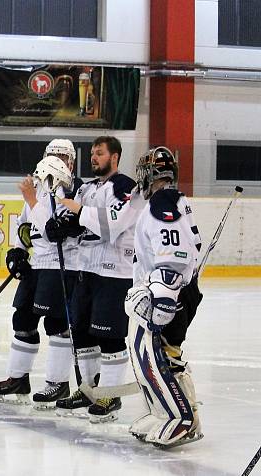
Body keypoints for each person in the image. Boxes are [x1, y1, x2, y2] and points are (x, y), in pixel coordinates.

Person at [48, 136, 138, 423]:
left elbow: (111, 224)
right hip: (86, 270)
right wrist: (60, 225)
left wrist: (75, 212)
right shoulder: (86, 188)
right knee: (83, 333)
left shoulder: (124, 187)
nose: (94, 158)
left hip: (114, 271)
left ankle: (109, 394)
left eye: (100, 153)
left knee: (110, 335)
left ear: (115, 157)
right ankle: (88, 390)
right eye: (93, 154)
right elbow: (74, 221)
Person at [0, 139, 83, 407]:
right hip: (37, 263)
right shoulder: (40, 187)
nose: (56, 161)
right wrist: (17, 251)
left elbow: (54, 231)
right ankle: (18, 378)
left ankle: (58, 383)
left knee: (57, 325)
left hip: (61, 264)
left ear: (71, 162)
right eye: (51, 155)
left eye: (62, 157)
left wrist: (31, 198)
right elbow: (24, 223)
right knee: (23, 320)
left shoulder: (75, 189)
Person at [124, 146, 203, 447]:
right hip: (175, 290)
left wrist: (163, 298)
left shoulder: (163, 202)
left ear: (149, 175)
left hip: (171, 293)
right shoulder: (167, 200)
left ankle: (181, 418)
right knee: (161, 355)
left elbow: (174, 254)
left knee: (159, 356)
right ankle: (165, 412)